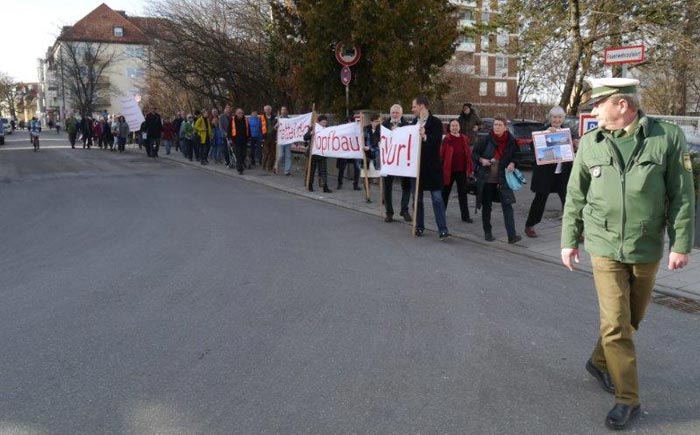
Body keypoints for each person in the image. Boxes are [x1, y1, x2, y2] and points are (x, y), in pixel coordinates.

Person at [561, 77, 695, 431]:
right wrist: (568, 239)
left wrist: (681, 243)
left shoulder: (665, 138)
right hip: (603, 246)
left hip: (646, 245)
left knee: (631, 318)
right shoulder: (591, 144)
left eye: (598, 103)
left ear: (622, 104)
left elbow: (682, 195)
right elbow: (575, 195)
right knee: (617, 325)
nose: (593, 111)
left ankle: (598, 361)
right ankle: (628, 399)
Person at [525, 106, 573, 238]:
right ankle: (530, 225)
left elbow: (573, 150)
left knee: (569, 202)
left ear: (563, 118)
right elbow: (531, 147)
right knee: (540, 200)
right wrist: (546, 133)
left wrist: (576, 144)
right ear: (550, 118)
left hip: (562, 175)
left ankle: (575, 231)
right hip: (546, 175)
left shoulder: (568, 132)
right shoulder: (542, 131)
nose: (557, 120)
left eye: (559, 117)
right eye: (554, 117)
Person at [472, 115, 521, 243]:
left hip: (503, 178)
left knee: (507, 206)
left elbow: (517, 155)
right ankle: (487, 232)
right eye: (495, 124)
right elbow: (474, 154)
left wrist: (513, 163)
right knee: (487, 206)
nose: (497, 127)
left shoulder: (511, 141)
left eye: (500, 125)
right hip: (487, 178)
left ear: (505, 127)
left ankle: (512, 236)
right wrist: (481, 160)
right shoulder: (486, 139)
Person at [411, 96, 449, 240]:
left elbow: (436, 141)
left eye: (414, 106)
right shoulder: (413, 122)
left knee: (437, 199)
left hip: (432, 168)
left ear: (422, 106)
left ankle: (443, 229)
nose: (412, 109)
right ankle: (419, 226)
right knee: (417, 199)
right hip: (417, 168)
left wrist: (425, 136)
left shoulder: (436, 122)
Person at [381, 105, 412, 222]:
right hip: (388, 160)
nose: (395, 115)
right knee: (387, 186)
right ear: (390, 113)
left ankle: (404, 209)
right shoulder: (383, 125)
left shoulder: (408, 126)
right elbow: (376, 138)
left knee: (406, 185)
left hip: (403, 160)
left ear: (401, 114)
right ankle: (389, 212)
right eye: (393, 112)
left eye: (397, 113)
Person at [441, 119, 474, 223]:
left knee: (463, 194)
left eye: (456, 125)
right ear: (449, 128)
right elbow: (441, 155)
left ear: (459, 127)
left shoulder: (464, 138)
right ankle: (441, 214)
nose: (455, 127)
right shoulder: (446, 139)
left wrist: (470, 168)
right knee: (445, 193)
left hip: (462, 170)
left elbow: (469, 155)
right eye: (453, 125)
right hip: (449, 171)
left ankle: (465, 216)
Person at [304, 115, 332, 193]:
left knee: (323, 170)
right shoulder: (313, 128)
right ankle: (310, 185)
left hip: (322, 153)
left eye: (325, 122)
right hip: (313, 153)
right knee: (312, 170)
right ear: (319, 122)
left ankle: (325, 186)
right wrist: (310, 133)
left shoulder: (327, 129)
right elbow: (305, 137)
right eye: (323, 122)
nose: (324, 124)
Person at [231, 108, 250, 174]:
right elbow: (229, 129)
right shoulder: (233, 120)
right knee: (238, 154)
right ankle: (240, 168)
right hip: (236, 140)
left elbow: (248, 128)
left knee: (244, 154)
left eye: (242, 113)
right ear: (236, 113)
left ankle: (240, 164)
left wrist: (248, 137)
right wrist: (231, 138)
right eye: (239, 113)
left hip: (244, 140)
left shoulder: (245, 120)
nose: (241, 114)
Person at [276, 106, 292, 175]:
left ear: (287, 111)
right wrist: (277, 125)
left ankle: (287, 171)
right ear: (281, 111)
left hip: (288, 140)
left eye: (285, 110)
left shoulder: (290, 119)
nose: (283, 111)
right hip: (281, 140)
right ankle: (276, 166)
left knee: (288, 156)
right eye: (282, 110)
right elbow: (274, 128)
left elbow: (292, 129)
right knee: (280, 155)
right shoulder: (277, 119)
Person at [261, 105, 277, 172]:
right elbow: (260, 127)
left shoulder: (274, 117)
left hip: (273, 137)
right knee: (266, 152)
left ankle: (270, 167)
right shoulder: (262, 117)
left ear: (271, 110)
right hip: (265, 137)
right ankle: (263, 165)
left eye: (269, 109)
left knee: (272, 153)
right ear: (264, 110)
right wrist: (262, 137)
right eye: (266, 109)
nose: (267, 111)